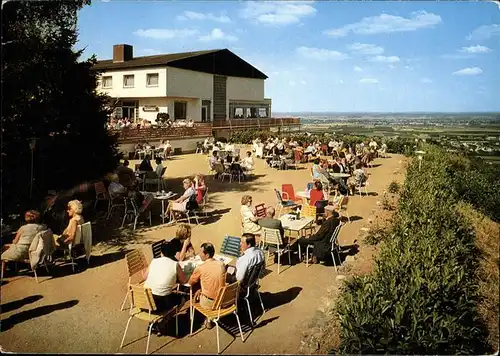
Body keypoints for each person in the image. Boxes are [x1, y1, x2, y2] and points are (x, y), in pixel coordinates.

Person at [144, 242, 187, 335]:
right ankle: (162, 324)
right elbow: (183, 281)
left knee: (159, 293)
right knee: (182, 299)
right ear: (174, 253)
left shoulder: (154, 261)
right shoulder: (175, 264)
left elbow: (144, 277)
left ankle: (153, 322)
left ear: (161, 253)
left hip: (144, 301)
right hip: (160, 304)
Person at [188, 242, 226, 329]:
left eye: (201, 253)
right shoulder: (221, 264)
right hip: (223, 299)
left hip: (209, 303)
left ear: (207, 255)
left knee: (195, 288)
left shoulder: (200, 268)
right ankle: (209, 319)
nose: (199, 254)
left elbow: (190, 282)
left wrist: (199, 289)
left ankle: (205, 318)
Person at [1, 210, 46, 276]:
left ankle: (4, 271)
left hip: (21, 252)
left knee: (5, 248)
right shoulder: (42, 227)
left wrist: (14, 240)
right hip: (35, 251)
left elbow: (15, 241)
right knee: (8, 246)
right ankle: (11, 267)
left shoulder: (23, 228)